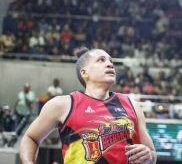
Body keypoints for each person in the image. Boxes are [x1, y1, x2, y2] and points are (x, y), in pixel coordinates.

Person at [19, 48, 156, 164]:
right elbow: (30, 138)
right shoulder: (63, 104)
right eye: (101, 60)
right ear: (84, 72)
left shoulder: (132, 104)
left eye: (111, 61)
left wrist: (149, 155)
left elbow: (152, 154)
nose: (109, 64)